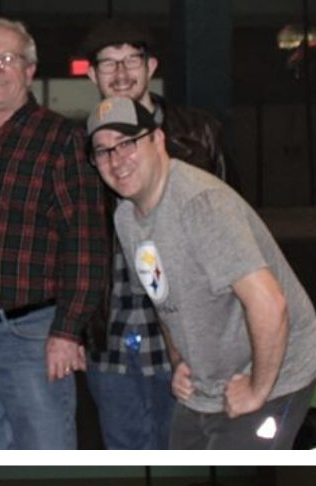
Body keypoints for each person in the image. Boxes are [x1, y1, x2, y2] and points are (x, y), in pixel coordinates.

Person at [87, 96, 316, 449]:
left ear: (158, 140)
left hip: (275, 376)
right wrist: (179, 359)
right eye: (103, 151)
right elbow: (161, 296)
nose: (116, 160)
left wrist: (258, 388)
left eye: (127, 143)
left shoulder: (201, 205)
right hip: (207, 383)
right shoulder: (126, 216)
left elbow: (270, 303)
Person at [0, 17, 108, 451]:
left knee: (46, 453)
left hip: (33, 337)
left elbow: (86, 243)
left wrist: (68, 331)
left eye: (8, 58)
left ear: (29, 70)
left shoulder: (62, 140)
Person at [80, 19, 233, 450]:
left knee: (191, 453)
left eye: (132, 60)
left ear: (152, 67)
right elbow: (74, 243)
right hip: (110, 335)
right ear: (92, 76)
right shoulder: (81, 146)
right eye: (108, 64)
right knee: (122, 451)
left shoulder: (199, 134)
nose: (122, 73)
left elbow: (235, 234)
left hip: (189, 336)